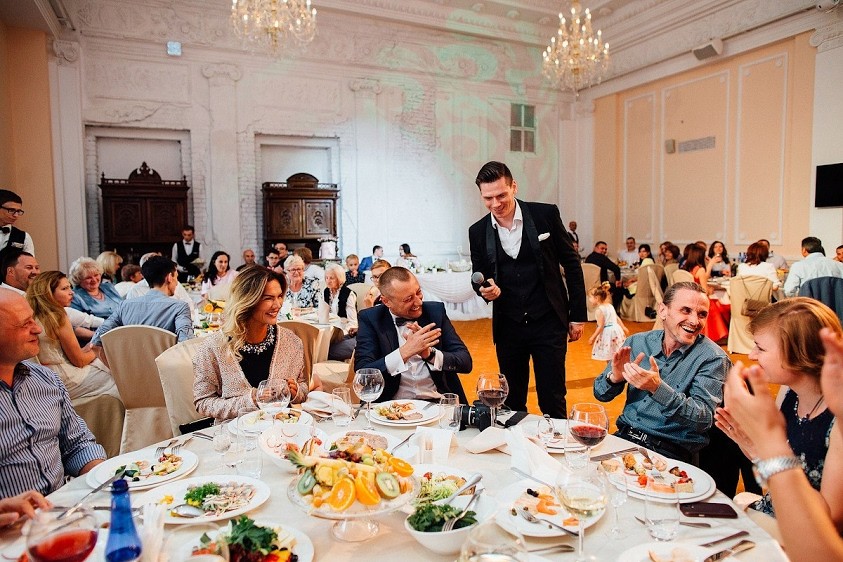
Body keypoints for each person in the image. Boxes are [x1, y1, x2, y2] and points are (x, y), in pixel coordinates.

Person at [468, 161, 586, 417]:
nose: (495, 204)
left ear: (514, 187)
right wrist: (485, 290)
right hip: (508, 326)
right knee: (511, 399)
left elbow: (572, 264)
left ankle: (556, 440)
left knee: (552, 397)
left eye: (501, 195)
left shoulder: (545, 214)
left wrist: (577, 316)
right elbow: (478, 276)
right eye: (488, 198)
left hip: (548, 321)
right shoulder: (477, 231)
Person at [715, 299, 843, 524]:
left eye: (761, 348)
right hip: (775, 513)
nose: (752, 355)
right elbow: (772, 474)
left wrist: (765, 449)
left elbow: (831, 518)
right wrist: (753, 445)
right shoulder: (789, 393)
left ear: (799, 353)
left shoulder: (837, 418)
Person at [593, 282, 731, 463]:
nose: (694, 321)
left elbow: (703, 420)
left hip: (669, 453)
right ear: (663, 311)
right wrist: (614, 378)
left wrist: (658, 389)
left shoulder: (712, 358)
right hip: (624, 439)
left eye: (702, 314)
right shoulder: (637, 343)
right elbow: (600, 394)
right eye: (686, 310)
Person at [0, 289, 105, 498]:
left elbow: (77, 444)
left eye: (33, 319)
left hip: (65, 504)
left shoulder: (46, 379)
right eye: (25, 324)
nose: (37, 329)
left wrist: (104, 477)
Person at [193, 266, 313, 420]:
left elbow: (302, 385)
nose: (278, 304)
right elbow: (203, 402)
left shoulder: (291, 342)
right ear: (248, 300)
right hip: (235, 431)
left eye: (279, 296)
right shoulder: (213, 347)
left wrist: (297, 392)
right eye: (268, 298)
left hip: (281, 429)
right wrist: (250, 400)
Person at [356, 267, 472, 403]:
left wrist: (430, 354)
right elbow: (362, 373)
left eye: (418, 292)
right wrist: (404, 353)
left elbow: (465, 362)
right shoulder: (371, 318)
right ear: (386, 301)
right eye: (408, 299)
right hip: (390, 406)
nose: (418, 302)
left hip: (437, 402)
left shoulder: (435, 312)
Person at [27, 271, 119, 401]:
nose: (72, 292)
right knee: (118, 377)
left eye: (70, 287)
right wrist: (97, 347)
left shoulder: (31, 314)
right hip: (63, 379)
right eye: (65, 289)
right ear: (48, 293)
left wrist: (89, 347)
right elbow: (80, 361)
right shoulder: (58, 316)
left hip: (41, 378)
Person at [91, 256, 193, 361]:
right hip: (166, 369)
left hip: (131, 370)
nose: (176, 283)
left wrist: (117, 369)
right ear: (169, 277)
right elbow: (187, 347)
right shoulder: (180, 307)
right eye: (176, 277)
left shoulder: (124, 306)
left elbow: (94, 344)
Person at [323, 263, 358, 361]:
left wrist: (341, 334)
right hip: (329, 330)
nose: (328, 281)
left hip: (344, 332)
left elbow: (353, 323)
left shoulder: (348, 294)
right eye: (326, 278)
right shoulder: (326, 292)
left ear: (339, 278)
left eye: (331, 278)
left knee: (327, 350)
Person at [588, 281, 628, 361]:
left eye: (590, 297)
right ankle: (614, 367)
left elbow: (600, 326)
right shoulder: (610, 306)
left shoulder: (600, 310)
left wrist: (592, 337)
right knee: (615, 353)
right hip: (616, 331)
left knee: (609, 355)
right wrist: (623, 327)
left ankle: (611, 368)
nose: (589, 299)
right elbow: (616, 318)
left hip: (608, 334)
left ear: (596, 298)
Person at [585, 241, 624, 309]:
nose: (604, 251)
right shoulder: (602, 258)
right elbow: (616, 268)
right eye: (602, 248)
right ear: (595, 248)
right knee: (620, 289)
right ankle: (613, 309)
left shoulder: (588, 257)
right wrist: (617, 280)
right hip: (601, 286)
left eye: (605, 249)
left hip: (588, 287)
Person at [0, 190, 34, 255]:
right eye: (11, 210)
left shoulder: (24, 237)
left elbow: (29, 261)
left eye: (18, 211)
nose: (16, 215)